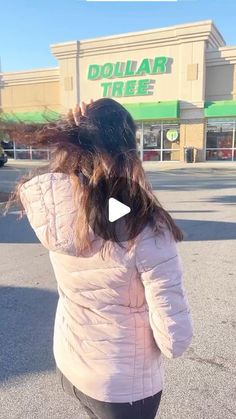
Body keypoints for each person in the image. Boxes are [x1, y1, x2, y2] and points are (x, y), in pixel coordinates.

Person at [3, 98, 193, 419]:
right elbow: (175, 340)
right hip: (123, 387)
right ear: (127, 149)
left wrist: (79, 126)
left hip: (72, 365)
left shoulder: (60, 207)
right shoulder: (141, 223)